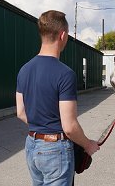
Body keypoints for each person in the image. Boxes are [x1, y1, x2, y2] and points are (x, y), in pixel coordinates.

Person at [16, 10, 100, 186]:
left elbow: (21, 112)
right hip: (55, 150)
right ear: (62, 35)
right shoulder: (65, 74)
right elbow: (69, 127)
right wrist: (88, 145)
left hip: (32, 145)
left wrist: (41, 127)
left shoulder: (24, 70)